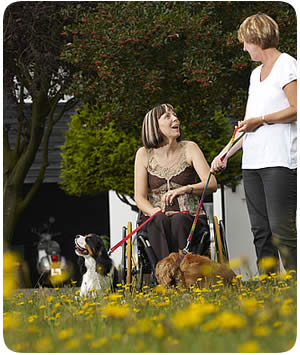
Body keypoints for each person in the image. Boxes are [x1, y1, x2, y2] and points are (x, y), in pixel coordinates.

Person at [211, 13, 297, 272]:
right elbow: (247, 123)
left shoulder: (287, 65)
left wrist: (263, 119)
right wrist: (225, 153)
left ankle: (295, 288)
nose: (244, 48)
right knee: (261, 232)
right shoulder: (255, 75)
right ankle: (268, 290)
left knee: (281, 230)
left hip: (279, 161)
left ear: (256, 39)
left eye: (245, 42)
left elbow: (297, 108)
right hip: (252, 164)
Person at [134, 104, 217, 262]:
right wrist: (153, 212)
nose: (175, 118)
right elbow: (140, 197)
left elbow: (211, 183)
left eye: (175, 115)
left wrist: (186, 189)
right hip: (156, 217)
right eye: (167, 116)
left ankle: (181, 271)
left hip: (189, 217)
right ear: (154, 126)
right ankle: (166, 274)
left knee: (180, 219)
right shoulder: (143, 154)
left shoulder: (190, 148)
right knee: (159, 220)